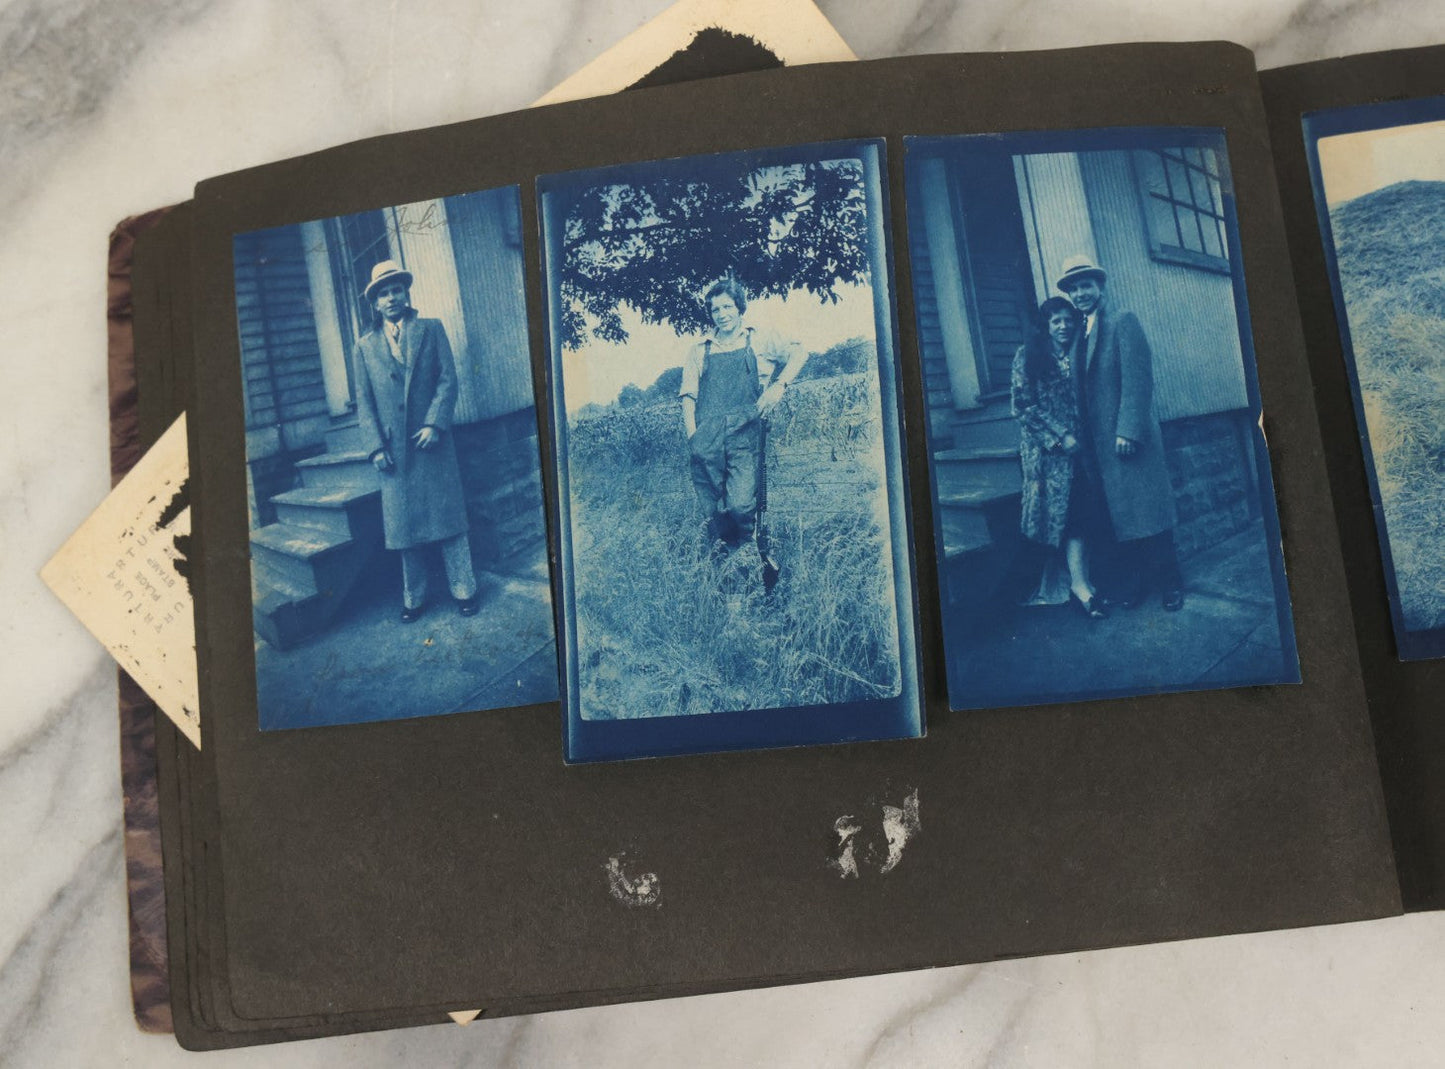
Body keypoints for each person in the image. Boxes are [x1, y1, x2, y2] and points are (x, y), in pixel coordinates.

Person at [1055, 254, 1184, 611]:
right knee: (1124, 521)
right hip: (1099, 447)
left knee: (1150, 515)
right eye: (1074, 288)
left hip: (1127, 440)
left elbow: (1138, 381)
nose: (1080, 293)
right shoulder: (1080, 333)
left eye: (1086, 285)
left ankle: (1172, 583)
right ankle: (1141, 584)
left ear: (1099, 286)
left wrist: (1129, 430)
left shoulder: (1121, 321)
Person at [353, 259, 479, 623]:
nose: (391, 298)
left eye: (396, 290)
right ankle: (414, 598)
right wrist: (375, 446)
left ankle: (464, 590)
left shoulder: (431, 329)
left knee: (449, 522)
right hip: (394, 451)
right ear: (375, 303)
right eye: (383, 293)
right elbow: (365, 401)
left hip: (432, 443)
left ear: (406, 294)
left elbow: (447, 380)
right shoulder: (364, 347)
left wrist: (434, 424)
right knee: (404, 530)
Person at [679, 279, 806, 591]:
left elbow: (800, 352)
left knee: (740, 506)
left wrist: (779, 386)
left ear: (739, 308)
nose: (721, 314)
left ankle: (757, 555)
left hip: (745, 437)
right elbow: (688, 398)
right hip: (706, 440)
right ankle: (730, 578)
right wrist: (693, 439)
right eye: (714, 309)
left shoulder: (759, 340)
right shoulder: (699, 349)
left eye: (727, 306)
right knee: (714, 513)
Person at [1010, 296, 1108, 618]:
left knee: (1081, 513)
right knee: (1061, 518)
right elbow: (1023, 406)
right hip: (1048, 455)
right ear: (1046, 326)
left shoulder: (1077, 352)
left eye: (1068, 320)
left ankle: (1082, 583)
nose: (1064, 326)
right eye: (1056, 321)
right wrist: (1059, 435)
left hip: (1079, 451)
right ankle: (1078, 587)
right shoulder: (1028, 356)